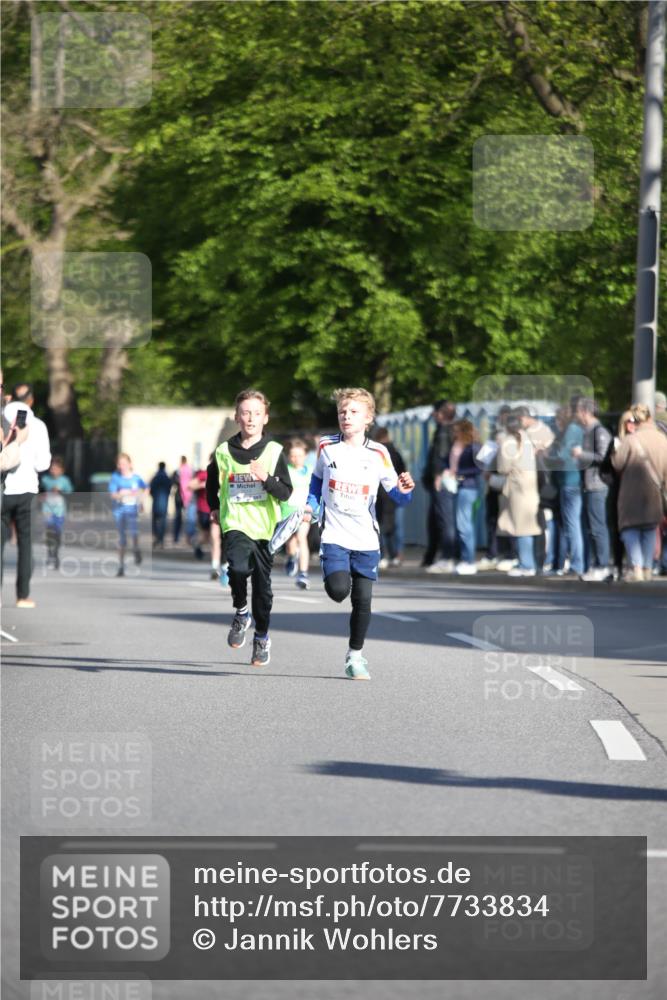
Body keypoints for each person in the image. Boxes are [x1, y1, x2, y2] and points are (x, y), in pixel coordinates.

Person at [304, 387, 414, 680]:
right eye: (342, 412)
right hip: (335, 535)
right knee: (339, 591)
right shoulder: (327, 446)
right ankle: (335, 573)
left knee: (363, 600)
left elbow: (398, 495)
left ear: (368, 418)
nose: (346, 417)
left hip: (366, 538)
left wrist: (405, 491)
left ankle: (355, 656)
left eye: (353, 412)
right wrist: (310, 506)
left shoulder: (379, 453)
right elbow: (316, 481)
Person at [215, 389, 293, 667]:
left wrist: (266, 478)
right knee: (236, 568)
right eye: (245, 412)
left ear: (265, 418)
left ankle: (261, 637)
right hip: (235, 523)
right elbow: (214, 483)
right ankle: (241, 610)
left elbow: (285, 492)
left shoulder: (274, 451)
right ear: (237, 417)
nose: (250, 418)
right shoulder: (224, 451)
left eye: (256, 413)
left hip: (264, 529)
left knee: (263, 589)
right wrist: (214, 509)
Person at [1, 384, 52, 607]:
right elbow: (43, 464)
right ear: (31, 401)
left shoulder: (2, 419)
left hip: (3, 488)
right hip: (27, 490)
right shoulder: (38, 425)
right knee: (25, 543)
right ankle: (23, 596)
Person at [612, 404, 667, 581]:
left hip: (631, 492)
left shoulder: (631, 440)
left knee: (630, 529)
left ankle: (636, 566)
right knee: (650, 529)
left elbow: (617, 464)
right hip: (655, 493)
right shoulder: (662, 440)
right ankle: (647, 568)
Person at [496, 411, 541, 577]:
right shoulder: (528, 439)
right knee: (527, 527)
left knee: (521, 528)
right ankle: (529, 563)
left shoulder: (508, 441)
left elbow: (503, 468)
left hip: (517, 489)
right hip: (530, 488)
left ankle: (526, 564)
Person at [573, 398, 613, 580]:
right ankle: (597, 564)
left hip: (597, 485)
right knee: (592, 527)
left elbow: (603, 456)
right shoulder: (588, 431)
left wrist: (582, 454)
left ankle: (602, 565)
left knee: (598, 527)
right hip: (589, 485)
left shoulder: (599, 431)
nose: (577, 415)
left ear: (585, 412)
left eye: (578, 411)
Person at [434, 419, 481, 575]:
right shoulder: (456, 444)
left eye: (457, 430)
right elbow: (447, 461)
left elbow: (477, 468)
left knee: (464, 525)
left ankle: (469, 560)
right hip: (456, 486)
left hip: (468, 487)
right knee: (460, 524)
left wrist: (458, 473)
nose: (454, 433)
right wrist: (445, 471)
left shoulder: (473, 447)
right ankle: (464, 559)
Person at [550, 404, 585, 577]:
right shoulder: (575, 429)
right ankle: (571, 562)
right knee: (570, 525)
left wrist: (545, 456)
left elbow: (563, 457)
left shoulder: (571, 430)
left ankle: (577, 564)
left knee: (572, 525)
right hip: (571, 481)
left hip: (569, 481)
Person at [422, 400, 457, 570]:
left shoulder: (443, 431)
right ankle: (436, 556)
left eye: (435, 412)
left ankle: (447, 557)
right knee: (440, 520)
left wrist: (437, 476)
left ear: (440, 414)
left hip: (442, 482)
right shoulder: (453, 430)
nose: (433, 416)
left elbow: (440, 456)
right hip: (448, 480)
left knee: (444, 520)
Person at [373, 426, 407, 569]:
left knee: (380, 525)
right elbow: (403, 471)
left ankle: (383, 555)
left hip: (380, 495)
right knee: (395, 526)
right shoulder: (396, 452)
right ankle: (396, 555)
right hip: (395, 494)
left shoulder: (376, 454)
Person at [108, 453, 146, 577]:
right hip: (119, 511)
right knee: (122, 539)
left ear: (130, 464)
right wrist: (124, 493)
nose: (121, 466)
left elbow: (145, 488)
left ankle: (136, 550)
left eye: (124, 463)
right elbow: (113, 494)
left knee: (134, 533)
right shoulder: (115, 477)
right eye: (119, 464)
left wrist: (141, 501)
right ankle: (121, 566)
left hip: (132, 511)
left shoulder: (136, 478)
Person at [283, 438, 313, 588]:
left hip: (304, 512)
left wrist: (312, 509)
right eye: (293, 455)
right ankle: (292, 556)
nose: (296, 458)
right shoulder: (285, 471)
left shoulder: (310, 472)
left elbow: (315, 493)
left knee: (302, 538)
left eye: (299, 455)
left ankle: (303, 574)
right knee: (291, 543)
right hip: (288, 512)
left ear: (305, 455)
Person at [40, 457, 74, 570]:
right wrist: (42, 495)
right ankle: (50, 554)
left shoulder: (65, 480)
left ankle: (56, 554)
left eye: (56, 468)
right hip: (47, 509)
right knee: (50, 532)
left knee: (57, 533)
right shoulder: (45, 479)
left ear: (61, 470)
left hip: (59, 511)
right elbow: (39, 491)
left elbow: (70, 492)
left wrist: (60, 491)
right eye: (52, 468)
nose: (53, 470)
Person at [149, 461, 172, 549]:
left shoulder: (155, 477)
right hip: (164, 503)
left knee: (155, 522)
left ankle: (157, 538)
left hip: (156, 503)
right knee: (163, 522)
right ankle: (161, 540)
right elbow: (169, 489)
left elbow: (151, 489)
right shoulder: (166, 477)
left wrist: (154, 496)